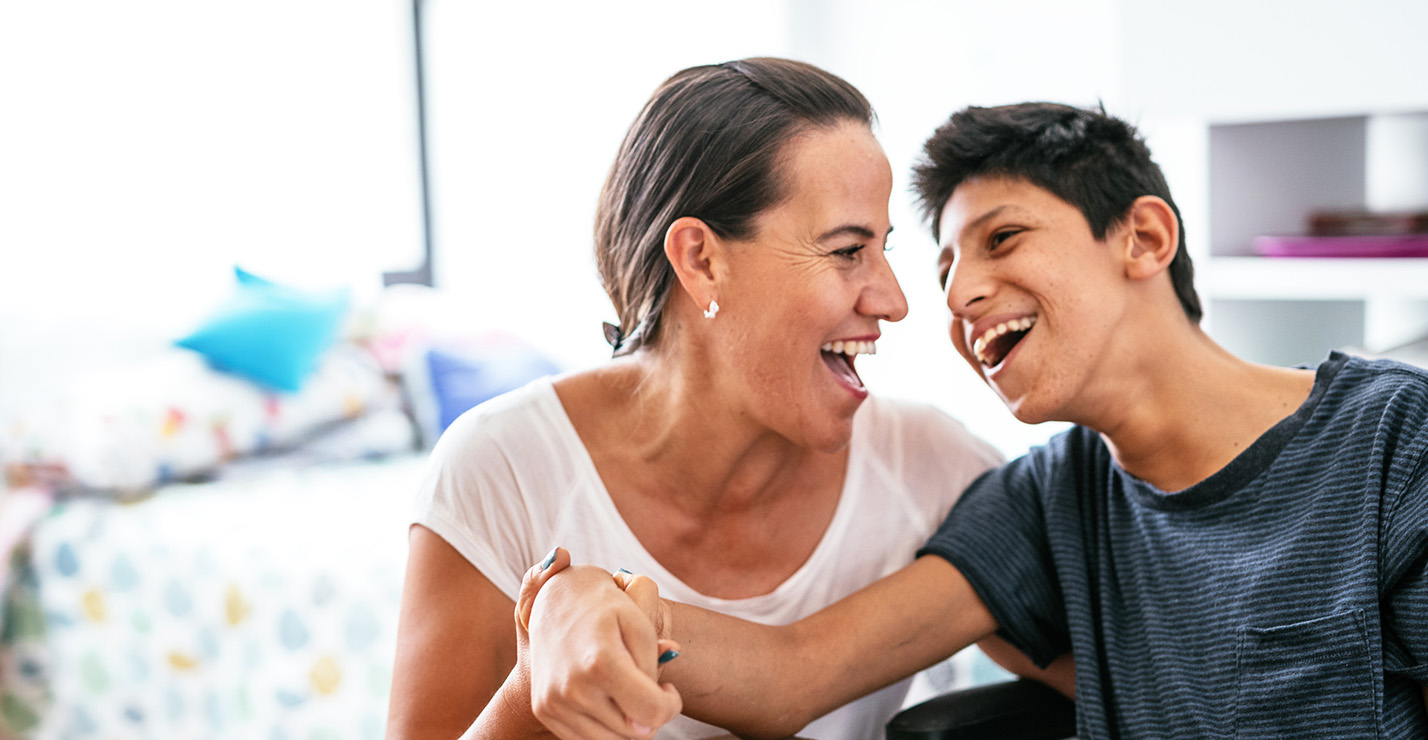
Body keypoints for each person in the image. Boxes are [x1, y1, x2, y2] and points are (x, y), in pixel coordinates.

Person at [520, 102, 1428, 739]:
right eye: (942, 268)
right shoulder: (1050, 495)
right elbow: (791, 669)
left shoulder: (1399, 433)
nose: (958, 294)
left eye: (1002, 237)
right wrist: (586, 600)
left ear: (1145, 236)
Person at [383, 58, 1014, 740]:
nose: (894, 301)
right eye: (845, 251)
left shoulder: (934, 466)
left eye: (883, 248)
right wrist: (534, 684)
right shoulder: (500, 471)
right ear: (701, 259)